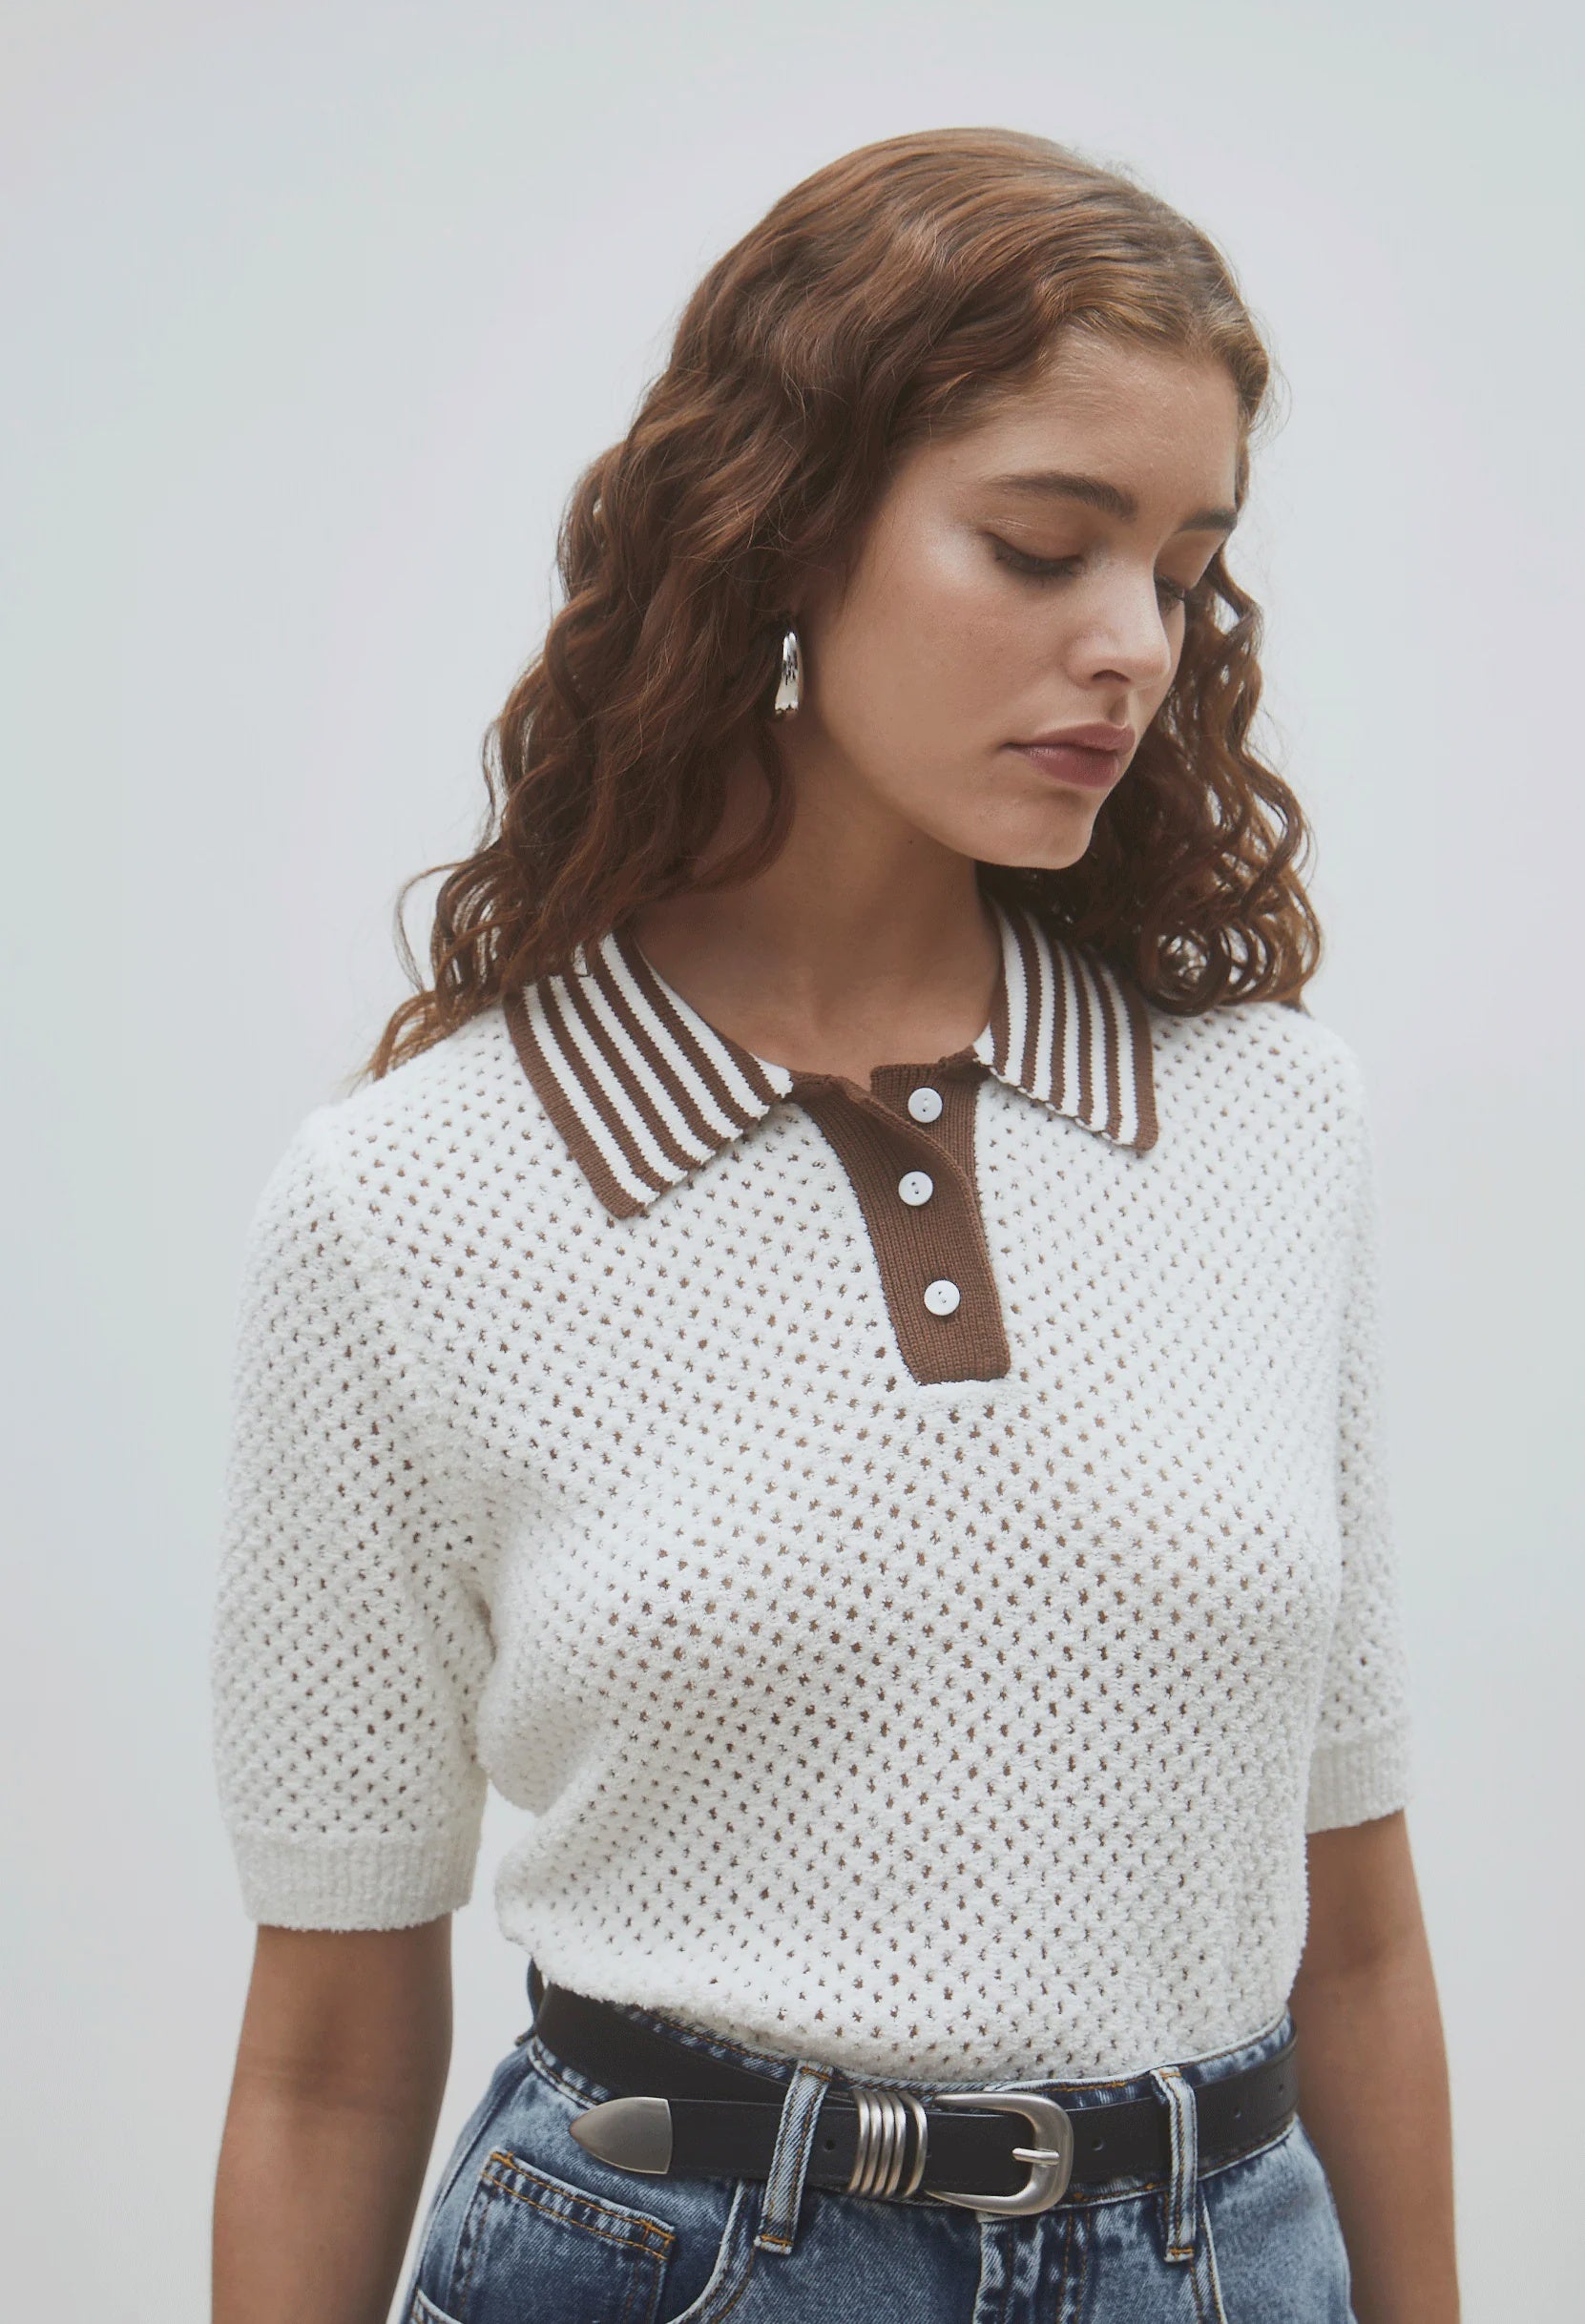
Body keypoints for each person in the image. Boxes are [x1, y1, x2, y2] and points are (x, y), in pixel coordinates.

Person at [209, 128, 1458, 2324]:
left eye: (1179, 570)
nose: (1129, 647)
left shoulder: (1271, 1126)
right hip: (671, 2264)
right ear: (783, 534)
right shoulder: (412, 1202)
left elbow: (1353, 1926)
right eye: (1041, 545)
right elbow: (323, 2059)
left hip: (1231, 2260)